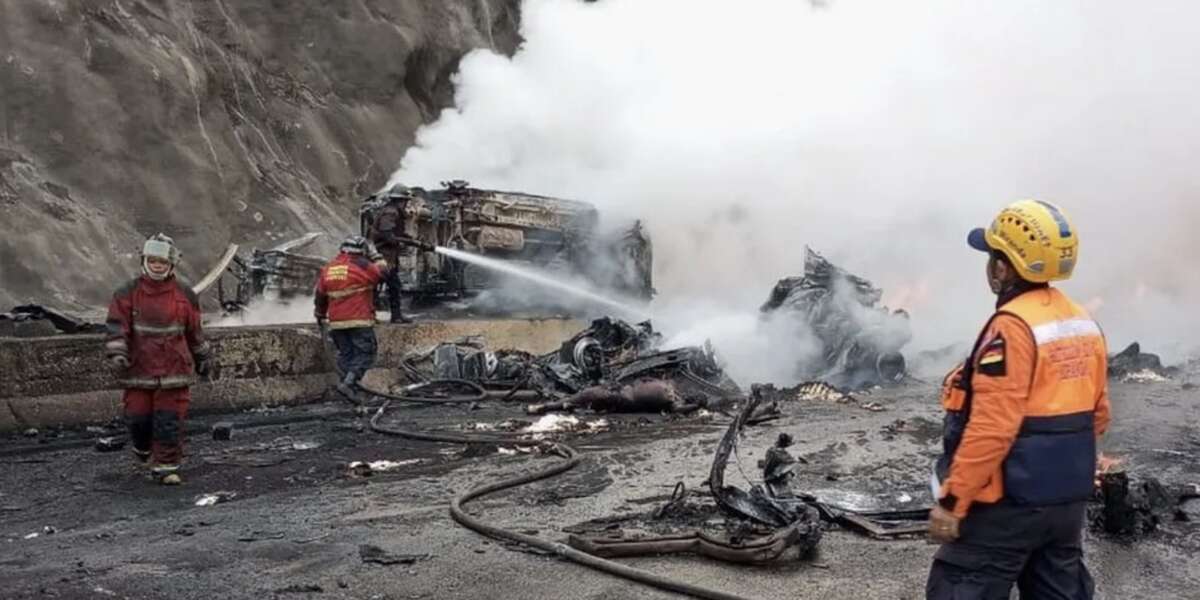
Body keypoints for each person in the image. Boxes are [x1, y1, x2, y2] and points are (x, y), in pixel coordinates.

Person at [927, 200, 1110, 599]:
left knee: (960, 588)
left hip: (1006, 507)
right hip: (1065, 506)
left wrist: (954, 500)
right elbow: (1097, 415)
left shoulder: (1012, 329)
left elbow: (993, 428)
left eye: (992, 256)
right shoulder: (1080, 321)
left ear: (1003, 267)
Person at [104, 233, 211, 485]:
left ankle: (166, 467)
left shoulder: (184, 293)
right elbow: (117, 326)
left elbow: (194, 331)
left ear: (171, 264)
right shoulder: (127, 292)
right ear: (144, 260)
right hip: (139, 368)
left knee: (169, 421)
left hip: (174, 369)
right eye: (153, 261)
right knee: (138, 418)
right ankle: (142, 449)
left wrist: (203, 358)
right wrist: (118, 353)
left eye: (162, 262)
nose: (157, 266)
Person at [314, 235, 389, 402]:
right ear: (362, 250)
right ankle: (349, 384)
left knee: (346, 355)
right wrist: (377, 256)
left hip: (336, 323)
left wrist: (319, 314)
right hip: (359, 319)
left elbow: (320, 294)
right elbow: (383, 274)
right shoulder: (362, 265)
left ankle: (349, 391)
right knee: (365, 354)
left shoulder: (330, 268)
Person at [365, 184, 433, 323]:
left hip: (387, 256)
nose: (406, 204)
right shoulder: (391, 212)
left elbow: (396, 234)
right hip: (382, 257)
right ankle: (379, 315)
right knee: (383, 286)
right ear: (400, 200)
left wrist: (413, 241)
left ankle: (392, 316)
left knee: (389, 286)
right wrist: (411, 243)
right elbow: (387, 235)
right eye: (406, 201)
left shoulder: (393, 211)